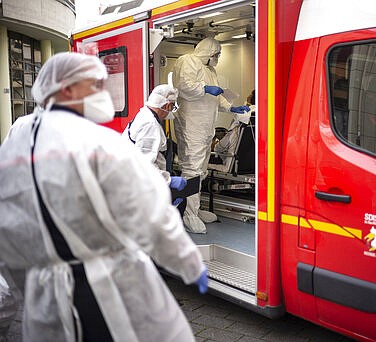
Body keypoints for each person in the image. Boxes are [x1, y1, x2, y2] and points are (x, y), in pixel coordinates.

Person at [0, 52, 208, 342]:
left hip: (44, 298)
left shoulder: (20, 132)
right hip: (98, 285)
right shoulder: (94, 140)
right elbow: (147, 206)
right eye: (94, 86)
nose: (100, 93)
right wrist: (188, 262)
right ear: (68, 89)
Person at [172, 37, 249, 234]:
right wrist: (204, 88)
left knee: (201, 169)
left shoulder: (210, 70)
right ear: (207, 52)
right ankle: (188, 214)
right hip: (191, 125)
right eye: (216, 54)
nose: (217, 58)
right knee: (192, 169)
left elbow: (217, 97)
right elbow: (183, 86)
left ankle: (195, 210)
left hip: (205, 127)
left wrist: (232, 107)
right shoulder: (187, 60)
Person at [122, 84, 187, 215]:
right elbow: (144, 164)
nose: (171, 111)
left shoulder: (144, 115)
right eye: (172, 107)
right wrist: (168, 181)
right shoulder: (150, 125)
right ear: (167, 105)